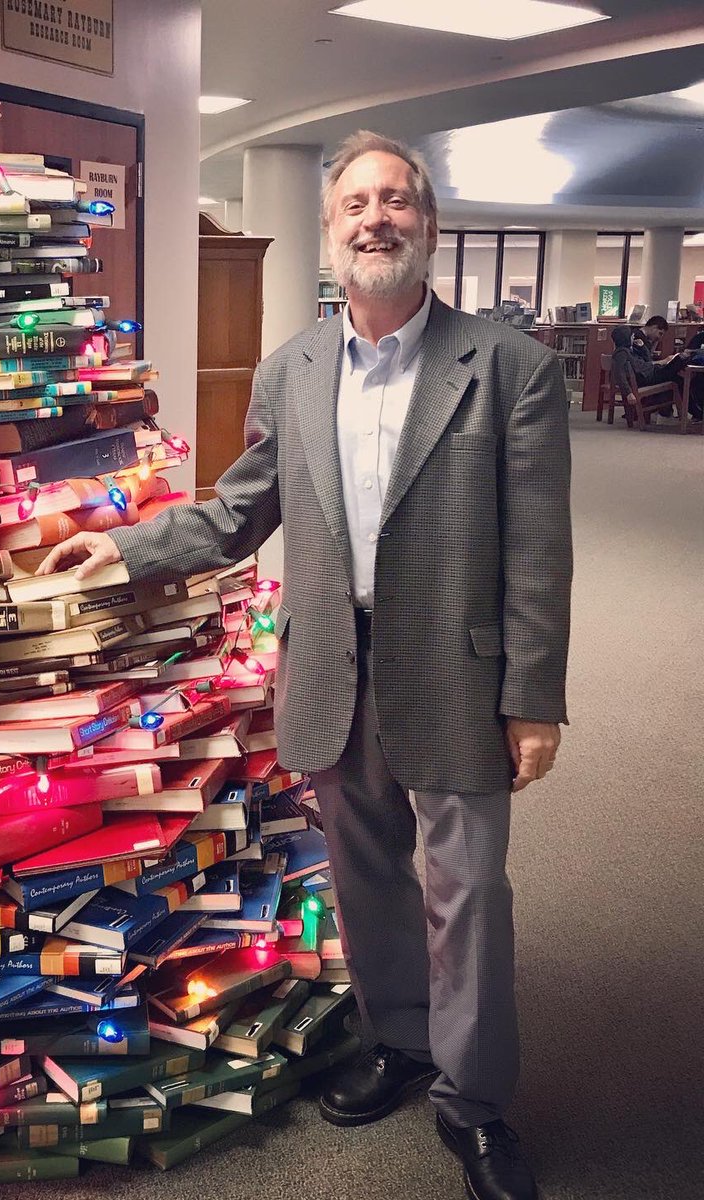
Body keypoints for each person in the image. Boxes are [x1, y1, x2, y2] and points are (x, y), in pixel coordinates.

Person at [38, 130, 572, 1200]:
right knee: (369, 879)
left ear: (428, 225)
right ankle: (404, 1039)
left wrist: (534, 698)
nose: (376, 218)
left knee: (467, 894)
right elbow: (242, 510)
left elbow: (537, 549)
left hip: (461, 674)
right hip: (331, 666)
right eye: (355, 205)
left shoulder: (512, 366)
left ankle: (474, 1103)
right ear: (332, 235)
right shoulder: (292, 369)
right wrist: (127, 546)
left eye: (396, 201)